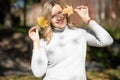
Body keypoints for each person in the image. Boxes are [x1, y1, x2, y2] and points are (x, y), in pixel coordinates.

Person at [28, 0, 113, 80]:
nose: (58, 17)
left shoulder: (80, 33)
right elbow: (38, 73)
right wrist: (36, 42)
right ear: (49, 20)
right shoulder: (44, 41)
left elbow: (107, 40)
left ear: (66, 12)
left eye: (60, 12)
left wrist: (88, 19)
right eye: (53, 16)